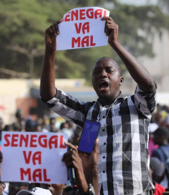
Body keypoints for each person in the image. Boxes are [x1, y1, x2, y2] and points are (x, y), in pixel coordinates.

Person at [40, 16, 157, 194]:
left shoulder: (136, 106)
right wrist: (50, 49)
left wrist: (115, 44)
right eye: (97, 72)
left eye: (109, 70)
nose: (102, 74)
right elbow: (50, 96)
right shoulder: (89, 113)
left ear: (121, 80)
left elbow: (148, 86)